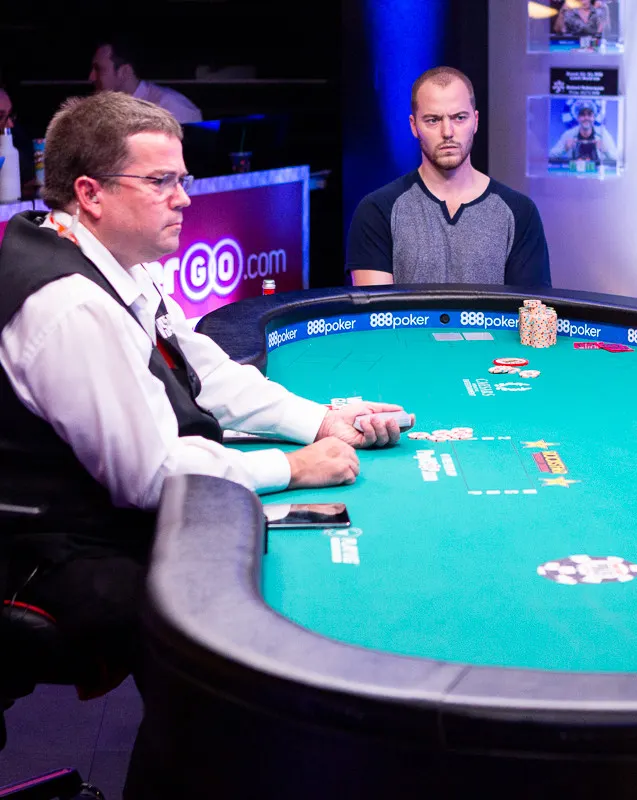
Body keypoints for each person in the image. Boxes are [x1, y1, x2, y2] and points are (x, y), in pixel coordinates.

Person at [0, 92, 408, 687]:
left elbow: (202, 373)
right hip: (55, 550)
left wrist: (319, 420)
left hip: (89, 519)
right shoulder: (71, 305)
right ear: (90, 194)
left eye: (182, 179)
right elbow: (150, 476)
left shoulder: (115, 261)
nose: (184, 198)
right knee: (234, 649)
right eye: (160, 181)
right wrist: (292, 467)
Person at [346, 66, 551, 288]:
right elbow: (376, 307)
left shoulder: (519, 212)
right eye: (433, 120)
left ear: (475, 121)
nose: (447, 132)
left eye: (459, 118)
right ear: (414, 126)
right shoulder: (377, 210)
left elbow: (531, 306)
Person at [89, 36, 202, 124]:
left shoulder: (172, 108)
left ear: (125, 72)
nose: (91, 77)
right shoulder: (102, 110)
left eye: (99, 69)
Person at [548, 100, 618, 165]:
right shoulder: (569, 134)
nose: (586, 118)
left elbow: (616, 158)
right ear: (578, 118)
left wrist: (606, 151)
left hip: (596, 172)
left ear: (594, 118)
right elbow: (550, 156)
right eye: (582, 115)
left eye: (589, 115)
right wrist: (564, 148)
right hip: (574, 172)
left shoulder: (603, 133)